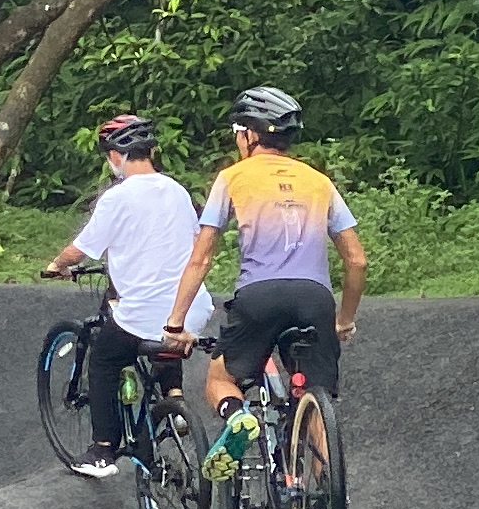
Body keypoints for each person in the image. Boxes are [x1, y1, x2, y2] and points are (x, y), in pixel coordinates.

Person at [155, 85, 366, 480]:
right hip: (315, 298)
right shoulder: (319, 181)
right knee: (316, 404)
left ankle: (238, 418)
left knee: (219, 378)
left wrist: (174, 324)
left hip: (260, 297)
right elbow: (356, 260)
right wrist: (344, 320)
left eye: (238, 130)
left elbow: (201, 257)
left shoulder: (232, 177)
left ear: (250, 134)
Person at [40, 114, 213, 480]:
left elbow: (81, 250)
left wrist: (58, 265)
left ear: (116, 156)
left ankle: (103, 450)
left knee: (104, 360)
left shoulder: (116, 198)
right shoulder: (177, 190)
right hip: (193, 308)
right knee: (164, 328)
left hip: (145, 312)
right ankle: (174, 398)